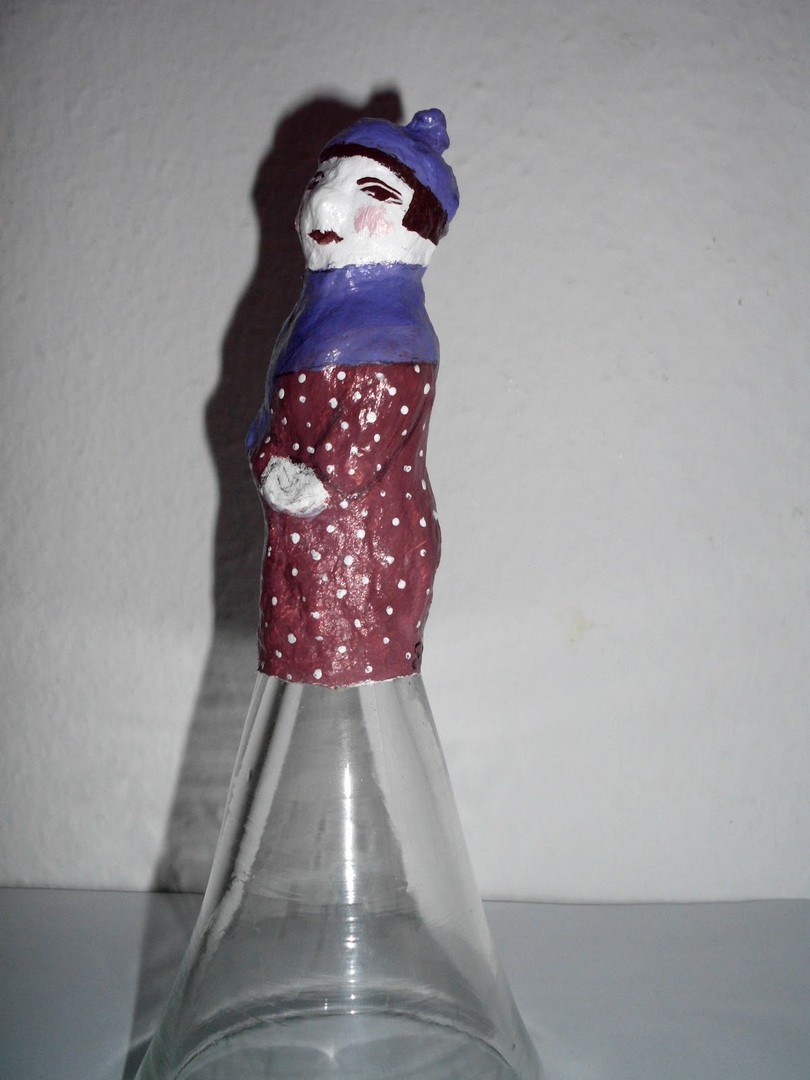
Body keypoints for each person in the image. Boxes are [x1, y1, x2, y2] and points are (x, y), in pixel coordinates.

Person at [246, 109, 459, 687]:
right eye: (321, 181)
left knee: (362, 673)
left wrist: (323, 484)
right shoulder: (300, 329)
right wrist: (269, 463)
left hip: (370, 550)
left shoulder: (398, 333)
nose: (325, 204)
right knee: (292, 671)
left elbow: (372, 427)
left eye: (373, 192)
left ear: (420, 227)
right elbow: (269, 420)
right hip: (293, 547)